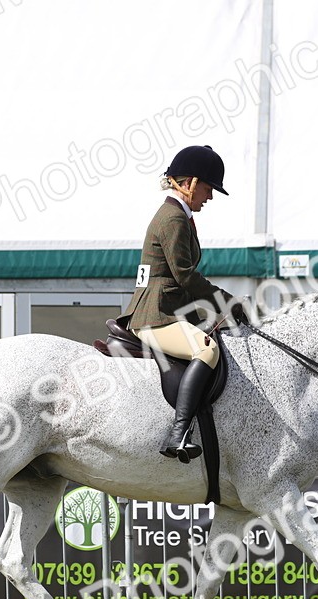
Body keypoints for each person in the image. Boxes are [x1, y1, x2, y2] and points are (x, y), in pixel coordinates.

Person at [118, 145, 248, 463]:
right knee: (207, 350)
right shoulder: (173, 218)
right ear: (189, 183)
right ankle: (178, 433)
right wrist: (226, 303)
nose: (210, 197)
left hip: (167, 309)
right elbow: (186, 277)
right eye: (207, 188)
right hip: (155, 315)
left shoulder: (179, 216)